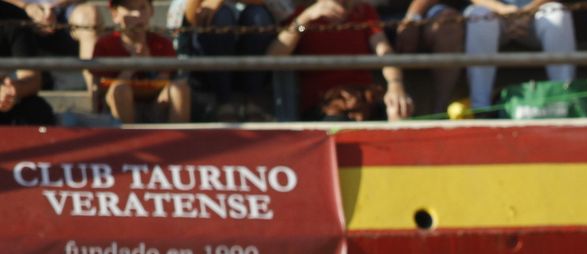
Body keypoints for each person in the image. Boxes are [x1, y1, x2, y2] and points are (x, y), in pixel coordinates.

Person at [267, 0, 414, 121]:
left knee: (398, 110)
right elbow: (274, 55)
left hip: (363, 99)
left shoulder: (363, 12)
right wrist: (306, 18)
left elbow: (384, 51)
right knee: (339, 124)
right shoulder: (301, 14)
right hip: (324, 105)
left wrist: (395, 85)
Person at [166, 0, 281, 121]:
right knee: (221, 17)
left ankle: (253, 100)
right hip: (204, 56)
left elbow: (285, 17)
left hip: (256, 53)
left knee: (258, 15)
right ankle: (224, 102)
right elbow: (190, 18)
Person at [462, 0, 574, 117]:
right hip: (494, 13)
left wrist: (527, 11)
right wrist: (501, 9)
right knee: (480, 15)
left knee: (558, 13)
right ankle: (480, 110)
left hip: (536, 13)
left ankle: (566, 101)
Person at [92, 0, 192, 123]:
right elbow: (102, 88)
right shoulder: (105, 45)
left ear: (152, 11)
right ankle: (126, 139)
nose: (137, 14)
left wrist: (149, 64)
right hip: (117, 108)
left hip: (156, 104)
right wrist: (132, 66)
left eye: (142, 8)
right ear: (114, 14)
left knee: (180, 88)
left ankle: (180, 140)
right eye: (129, 9)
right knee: (121, 90)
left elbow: (164, 79)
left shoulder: (162, 44)